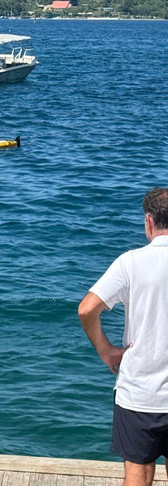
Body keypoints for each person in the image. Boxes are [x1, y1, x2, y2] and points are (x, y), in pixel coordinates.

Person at [78, 188, 168, 486]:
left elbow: (87, 309)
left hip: (140, 392)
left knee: (138, 473)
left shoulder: (131, 262)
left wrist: (105, 350)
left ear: (148, 221)